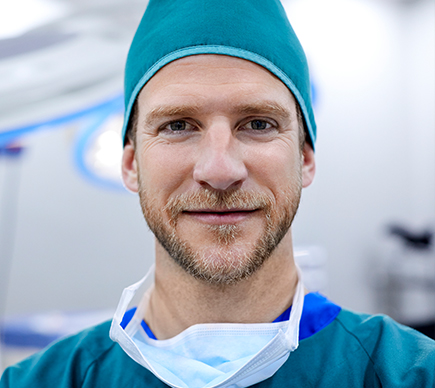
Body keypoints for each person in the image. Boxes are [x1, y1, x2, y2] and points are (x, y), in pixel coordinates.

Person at [1, 0, 434, 387]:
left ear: (306, 159)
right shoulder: (44, 381)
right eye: (177, 125)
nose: (220, 170)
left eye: (259, 124)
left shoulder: (408, 374)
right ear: (131, 164)